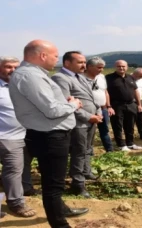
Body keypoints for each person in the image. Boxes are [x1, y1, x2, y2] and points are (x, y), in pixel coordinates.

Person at [9, 39, 88, 228]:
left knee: (53, 181)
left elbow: (48, 104)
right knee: (53, 186)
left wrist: (65, 102)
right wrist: (73, 104)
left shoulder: (33, 74)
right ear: (42, 55)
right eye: (55, 56)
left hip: (48, 134)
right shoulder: (31, 76)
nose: (56, 59)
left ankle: (62, 210)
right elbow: (51, 110)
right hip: (50, 136)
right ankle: (60, 225)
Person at [52, 51, 101, 198]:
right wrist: (88, 116)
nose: (84, 65)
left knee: (87, 149)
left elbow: (90, 98)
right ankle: (77, 184)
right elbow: (66, 104)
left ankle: (86, 172)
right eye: (80, 62)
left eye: (84, 62)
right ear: (67, 63)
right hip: (78, 123)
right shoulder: (60, 78)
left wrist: (97, 112)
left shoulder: (80, 77)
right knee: (78, 152)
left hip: (91, 120)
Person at [0, 56, 36, 217]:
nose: (13, 70)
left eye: (16, 67)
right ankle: (15, 202)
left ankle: (15, 202)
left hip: (17, 137)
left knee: (14, 170)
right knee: (13, 171)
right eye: (8, 67)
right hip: (4, 136)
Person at [106, 60, 142, 151]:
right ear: (115, 67)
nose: (121, 68)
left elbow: (135, 91)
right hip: (116, 105)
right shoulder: (108, 78)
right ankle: (121, 145)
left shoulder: (130, 77)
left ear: (127, 67)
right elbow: (105, 92)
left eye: (123, 66)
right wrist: (108, 106)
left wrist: (139, 104)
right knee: (117, 125)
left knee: (130, 125)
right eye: (119, 66)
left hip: (131, 104)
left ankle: (130, 143)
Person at [85, 57, 114, 153]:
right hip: (88, 110)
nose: (101, 70)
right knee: (89, 132)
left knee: (105, 130)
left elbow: (105, 92)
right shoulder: (81, 78)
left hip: (103, 108)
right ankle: (89, 152)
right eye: (98, 67)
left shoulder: (101, 77)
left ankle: (109, 150)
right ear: (89, 66)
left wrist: (108, 106)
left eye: (102, 68)